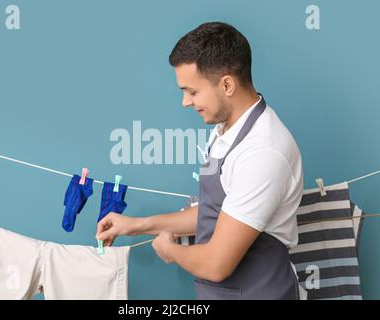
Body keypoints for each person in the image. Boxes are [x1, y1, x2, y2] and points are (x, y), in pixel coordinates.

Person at [96, 21, 304, 300]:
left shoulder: (263, 152)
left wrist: (170, 251)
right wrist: (137, 225)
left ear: (227, 84)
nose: (185, 102)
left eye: (192, 91)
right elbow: (215, 212)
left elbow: (216, 264)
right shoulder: (224, 131)